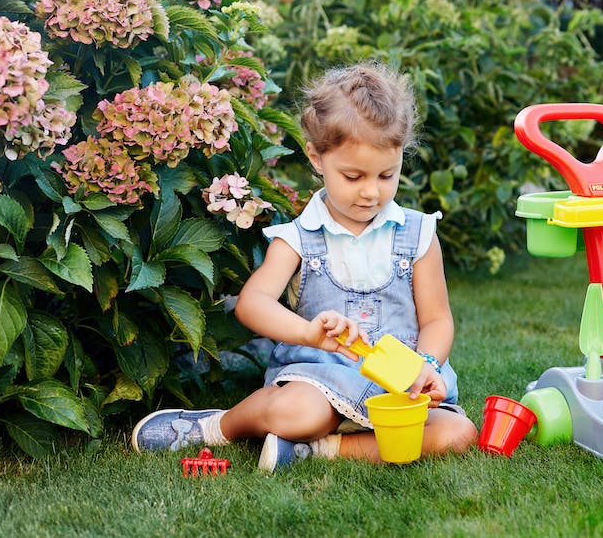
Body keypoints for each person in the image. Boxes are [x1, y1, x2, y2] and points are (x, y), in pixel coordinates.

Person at [131, 62, 478, 469]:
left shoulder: (418, 234)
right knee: (301, 413)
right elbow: (252, 304)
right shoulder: (299, 238)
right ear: (316, 157)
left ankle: (313, 450)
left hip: (402, 392)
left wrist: (428, 364)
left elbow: (437, 319)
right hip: (320, 383)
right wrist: (309, 334)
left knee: (458, 433)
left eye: (387, 174)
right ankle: (217, 427)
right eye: (353, 176)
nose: (371, 192)